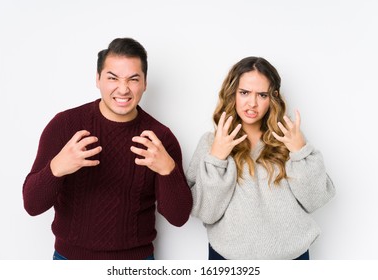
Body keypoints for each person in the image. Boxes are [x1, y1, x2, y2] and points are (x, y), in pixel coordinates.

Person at [23, 37, 193, 260]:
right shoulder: (65, 126)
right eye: (113, 78)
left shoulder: (160, 138)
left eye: (133, 79)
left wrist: (167, 170)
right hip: (70, 261)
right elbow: (32, 205)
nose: (123, 89)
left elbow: (178, 217)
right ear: (98, 79)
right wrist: (57, 168)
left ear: (144, 83)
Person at [186, 56, 335, 260]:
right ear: (233, 94)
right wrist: (217, 158)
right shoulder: (211, 142)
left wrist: (300, 150)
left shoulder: (289, 138)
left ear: (272, 98)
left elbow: (316, 198)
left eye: (262, 95)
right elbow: (205, 211)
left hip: (292, 258)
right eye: (244, 93)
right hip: (228, 260)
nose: (252, 103)